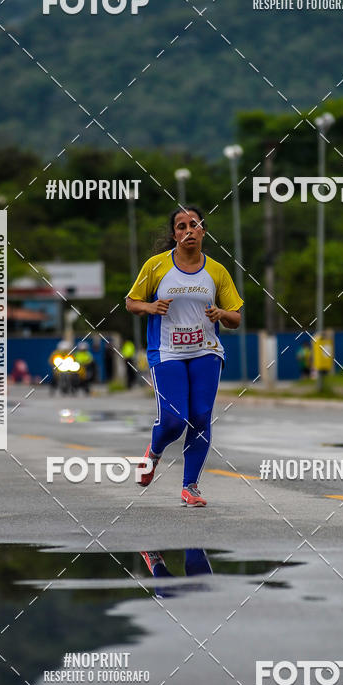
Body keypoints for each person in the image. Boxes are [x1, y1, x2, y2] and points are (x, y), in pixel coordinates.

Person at [125, 206, 243, 507]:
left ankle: (190, 486)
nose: (188, 230)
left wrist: (221, 313)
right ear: (174, 234)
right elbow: (131, 302)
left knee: (201, 416)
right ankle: (154, 451)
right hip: (167, 352)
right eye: (181, 226)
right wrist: (150, 307)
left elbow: (235, 317)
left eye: (194, 224)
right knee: (175, 421)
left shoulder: (217, 270)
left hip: (206, 350)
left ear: (203, 230)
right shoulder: (156, 266)